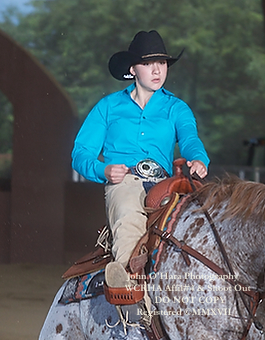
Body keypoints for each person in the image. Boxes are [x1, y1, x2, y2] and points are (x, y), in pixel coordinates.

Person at [71, 30, 209, 290]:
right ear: (133, 69)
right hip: (125, 181)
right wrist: (103, 170)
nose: (157, 70)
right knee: (127, 215)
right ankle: (128, 284)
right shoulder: (108, 107)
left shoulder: (177, 108)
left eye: (162, 63)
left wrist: (198, 159)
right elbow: (81, 154)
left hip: (165, 184)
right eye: (148, 64)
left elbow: (190, 140)